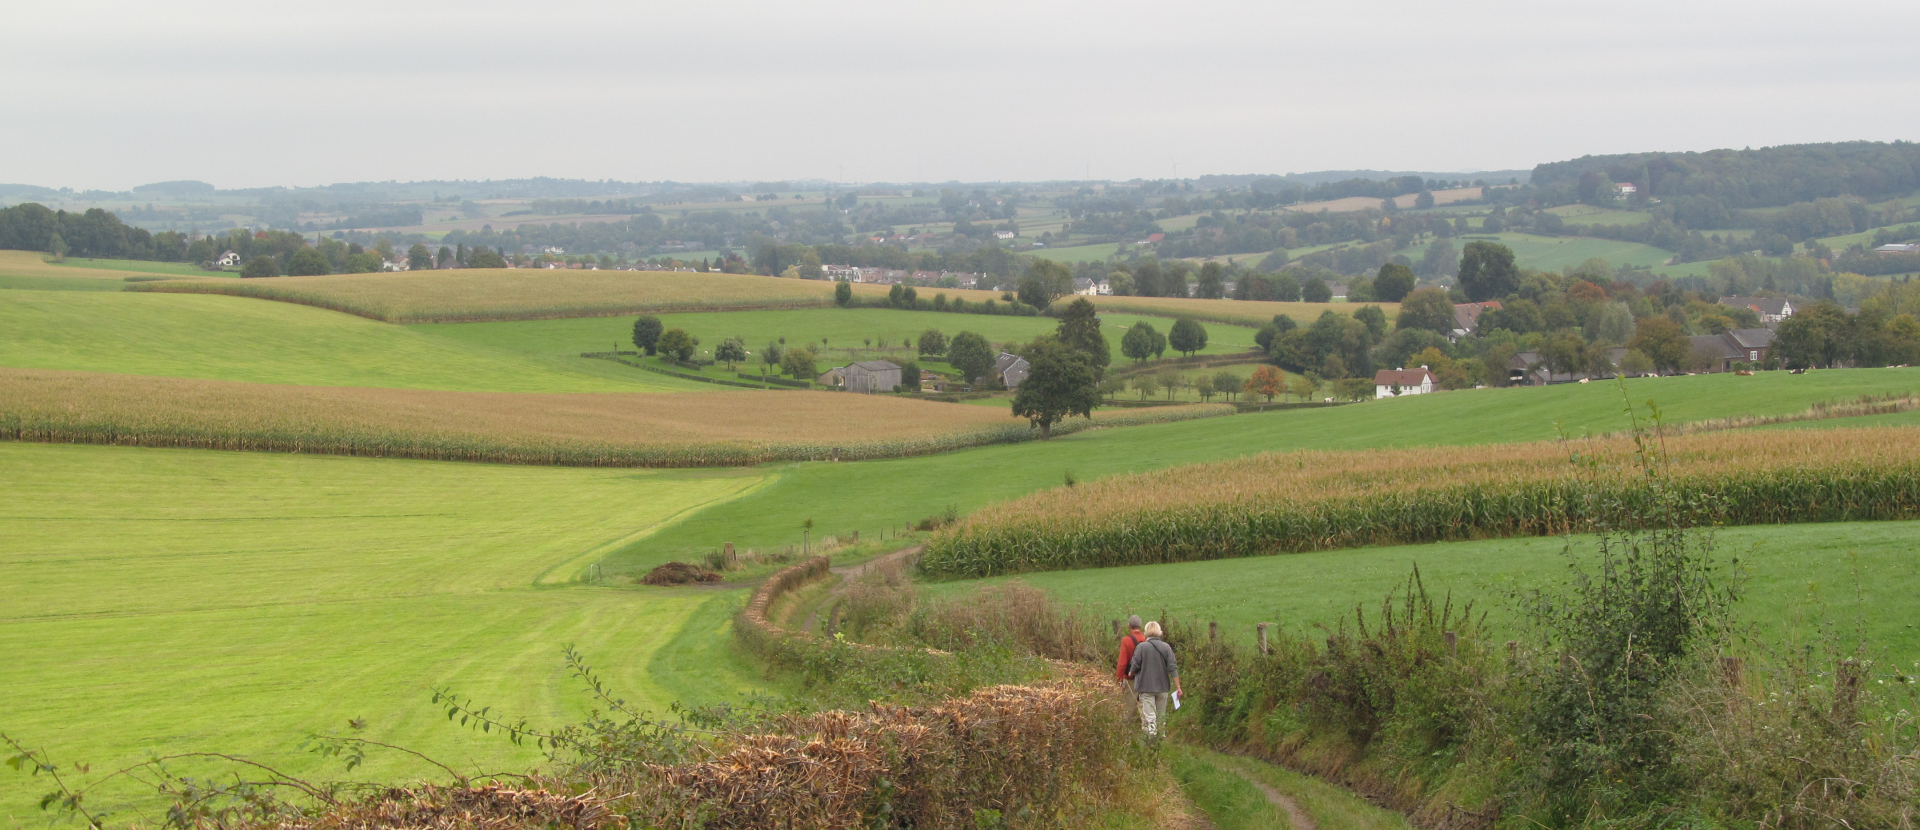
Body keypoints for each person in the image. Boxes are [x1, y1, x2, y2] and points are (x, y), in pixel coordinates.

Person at [1127, 621, 1181, 739]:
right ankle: (1161, 736)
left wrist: (1131, 672)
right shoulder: (1166, 647)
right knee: (1161, 715)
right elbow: (1173, 667)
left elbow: (1135, 665)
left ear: (1146, 632)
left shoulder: (1141, 647)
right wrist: (1178, 687)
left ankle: (1151, 738)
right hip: (1162, 687)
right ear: (1159, 632)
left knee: (1150, 715)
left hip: (1146, 687)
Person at [1115, 615, 1146, 694]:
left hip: (1130, 678)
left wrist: (1119, 679)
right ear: (1141, 626)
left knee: (1130, 705)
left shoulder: (1126, 640)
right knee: (1144, 705)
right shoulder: (1146, 640)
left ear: (1129, 626)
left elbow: (1122, 663)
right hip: (1145, 678)